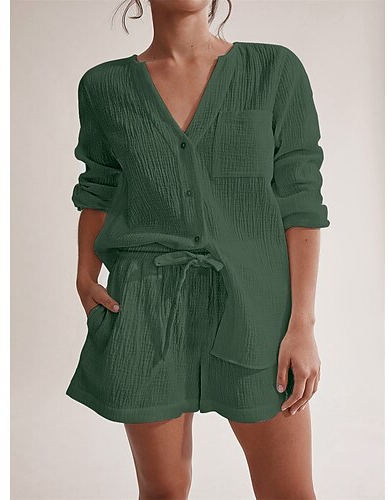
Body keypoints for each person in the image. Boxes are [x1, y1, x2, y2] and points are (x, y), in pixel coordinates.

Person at [66, 0, 330, 498]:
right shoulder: (104, 87)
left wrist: (302, 325)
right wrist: (85, 274)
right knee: (163, 490)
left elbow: (300, 201)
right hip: (146, 308)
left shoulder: (274, 70)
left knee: (288, 491)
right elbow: (99, 187)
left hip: (256, 311)